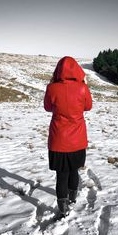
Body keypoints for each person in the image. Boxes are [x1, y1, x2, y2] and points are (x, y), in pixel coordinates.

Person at [44, 56, 92, 217]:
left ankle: (62, 206)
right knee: (74, 171)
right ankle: (72, 198)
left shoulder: (52, 88)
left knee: (61, 175)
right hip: (77, 140)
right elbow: (88, 106)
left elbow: (47, 107)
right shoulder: (82, 88)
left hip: (58, 140)